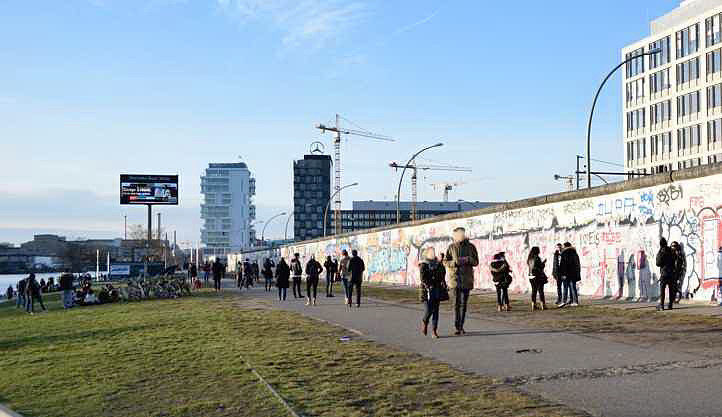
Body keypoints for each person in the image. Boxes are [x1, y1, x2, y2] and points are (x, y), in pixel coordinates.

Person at [443, 227, 479, 335]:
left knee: (464, 304)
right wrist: (454, 263)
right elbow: (445, 261)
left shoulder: (471, 247)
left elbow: (476, 261)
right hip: (455, 279)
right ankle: (457, 326)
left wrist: (469, 259)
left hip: (467, 279)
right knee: (456, 304)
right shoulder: (451, 247)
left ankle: (461, 326)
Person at [420, 247, 446, 338]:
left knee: (436, 311)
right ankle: (425, 321)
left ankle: (434, 331)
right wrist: (428, 285)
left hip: (436, 290)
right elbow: (423, 278)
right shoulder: (424, 264)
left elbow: (442, 274)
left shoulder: (437, 264)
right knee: (428, 310)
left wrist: (441, 262)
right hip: (426, 291)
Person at [656, 238, 677, 310]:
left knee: (662, 290)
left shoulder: (661, 251)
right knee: (671, 289)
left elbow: (658, 263)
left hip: (664, 273)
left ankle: (661, 305)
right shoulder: (671, 250)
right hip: (671, 273)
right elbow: (675, 259)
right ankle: (670, 305)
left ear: (660, 244)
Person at [559, 242, 581, 307]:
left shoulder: (564, 253)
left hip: (566, 274)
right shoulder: (575, 253)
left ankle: (564, 301)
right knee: (573, 287)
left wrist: (563, 273)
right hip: (573, 273)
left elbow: (563, 265)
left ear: (565, 246)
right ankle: (575, 301)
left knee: (565, 288)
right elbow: (577, 264)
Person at [527, 246, 548, 311]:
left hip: (530, 276)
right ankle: (543, 305)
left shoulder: (529, 258)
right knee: (540, 290)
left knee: (534, 291)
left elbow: (532, 267)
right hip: (537, 276)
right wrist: (544, 263)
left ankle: (533, 305)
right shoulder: (537, 258)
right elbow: (540, 267)